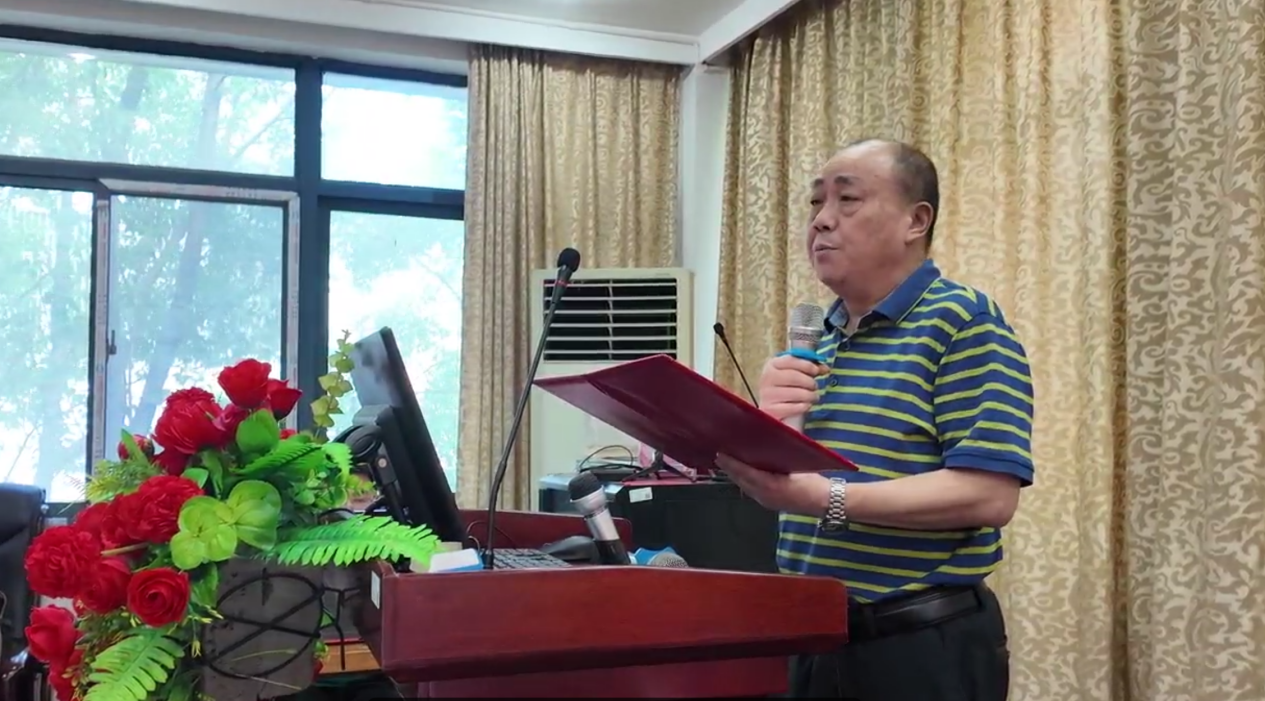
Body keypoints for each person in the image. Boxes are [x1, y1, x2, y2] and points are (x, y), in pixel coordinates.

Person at [718, 139, 1034, 701]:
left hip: (917, 646)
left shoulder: (963, 321)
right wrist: (771, 425)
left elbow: (989, 495)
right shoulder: (821, 339)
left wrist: (826, 498)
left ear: (916, 221)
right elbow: (795, 486)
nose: (821, 221)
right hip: (812, 635)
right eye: (815, 203)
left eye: (847, 200)